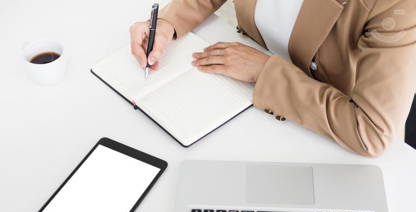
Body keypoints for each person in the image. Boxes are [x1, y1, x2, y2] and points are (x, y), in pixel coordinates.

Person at [130, 0, 416, 157]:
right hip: (236, 96)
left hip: (317, 126)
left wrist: (264, 71)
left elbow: (372, 133)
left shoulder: (398, 6)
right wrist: (168, 22)